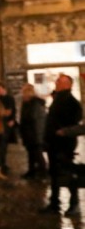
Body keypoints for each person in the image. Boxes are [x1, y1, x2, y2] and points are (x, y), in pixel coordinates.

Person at [40, 74, 82, 217]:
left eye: (60, 81)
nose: (56, 83)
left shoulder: (71, 102)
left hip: (64, 144)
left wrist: (62, 131)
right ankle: (54, 203)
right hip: (54, 143)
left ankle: (74, 203)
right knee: (55, 174)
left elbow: (74, 122)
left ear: (68, 84)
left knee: (68, 174)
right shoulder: (58, 99)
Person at [19, 84, 47, 179]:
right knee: (31, 153)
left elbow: (34, 119)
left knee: (37, 154)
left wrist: (37, 135)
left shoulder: (34, 104)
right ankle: (32, 171)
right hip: (29, 133)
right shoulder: (27, 103)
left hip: (34, 134)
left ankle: (43, 172)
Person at [0, 82, 18, 171]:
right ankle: (0, 163)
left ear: (3, 88)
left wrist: (12, 119)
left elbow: (12, 110)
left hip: (7, 124)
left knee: (4, 144)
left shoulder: (9, 98)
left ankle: (3, 162)